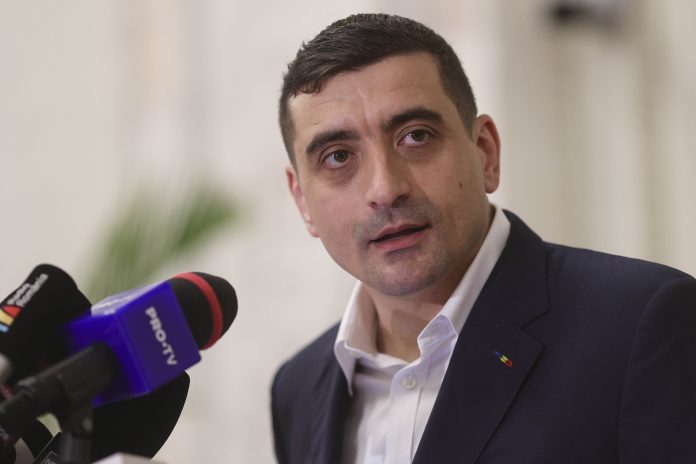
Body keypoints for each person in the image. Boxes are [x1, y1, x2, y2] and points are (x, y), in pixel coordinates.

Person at [271, 13, 696, 464]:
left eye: (416, 136)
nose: (385, 188)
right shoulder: (298, 387)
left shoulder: (642, 325)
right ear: (302, 201)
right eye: (338, 157)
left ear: (485, 153)